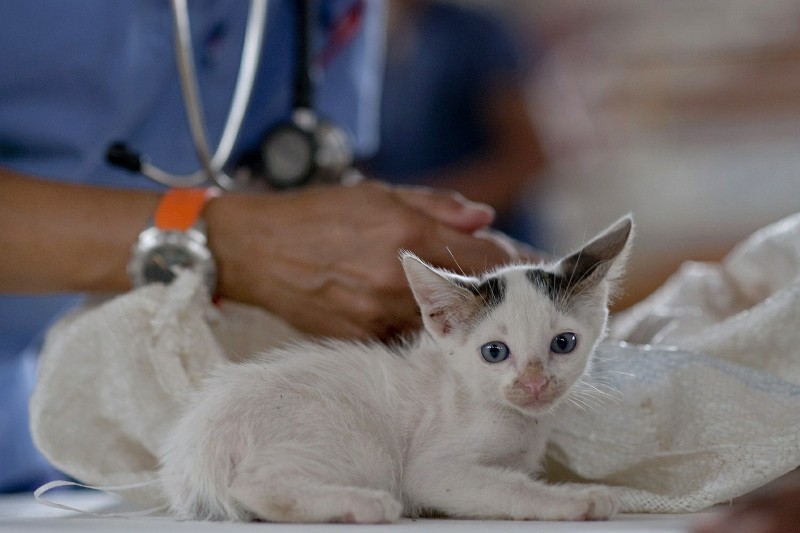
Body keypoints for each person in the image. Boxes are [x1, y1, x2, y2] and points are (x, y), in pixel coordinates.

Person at [0, 1, 527, 493]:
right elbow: (265, 237)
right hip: (70, 414)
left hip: (53, 456)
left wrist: (391, 257)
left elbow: (301, 175)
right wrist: (226, 243)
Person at [359, 0, 546, 245]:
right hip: (403, 243)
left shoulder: (472, 36)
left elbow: (524, 159)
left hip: (484, 242)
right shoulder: (353, 39)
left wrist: (420, 208)